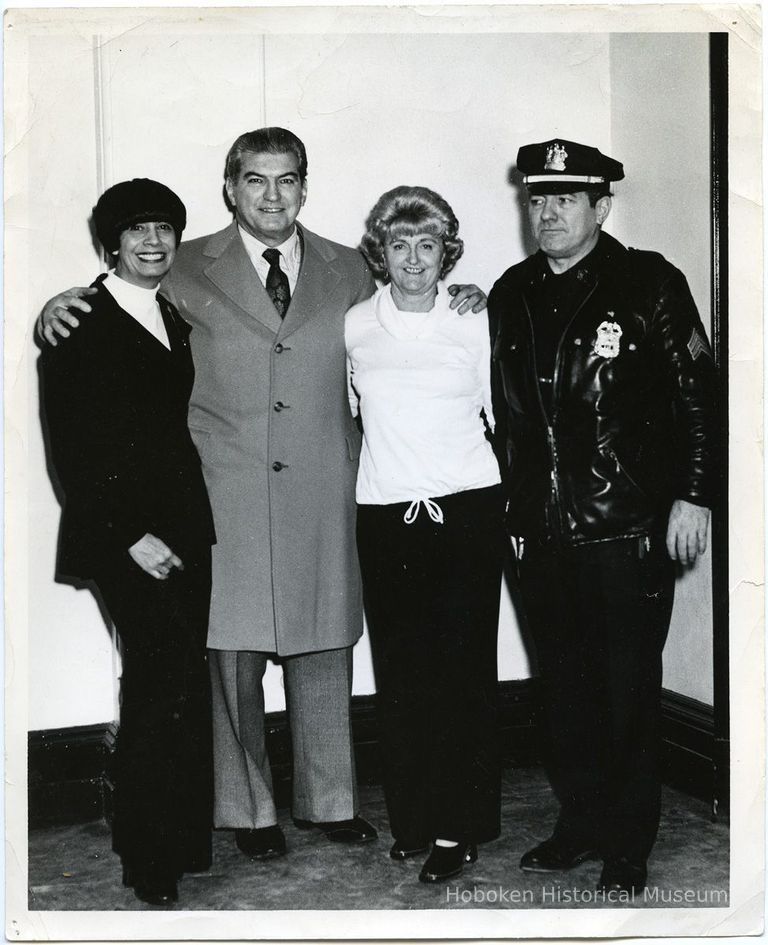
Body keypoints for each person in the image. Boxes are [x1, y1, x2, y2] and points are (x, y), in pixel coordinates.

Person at [38, 128, 486, 863]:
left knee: (322, 645)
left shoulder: (351, 266)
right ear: (230, 187)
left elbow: (414, 310)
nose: (271, 195)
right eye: (255, 180)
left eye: (286, 180)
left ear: (305, 186)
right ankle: (247, 810)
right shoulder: (182, 263)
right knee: (230, 655)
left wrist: (469, 293)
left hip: (326, 485)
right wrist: (61, 303)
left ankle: (330, 799)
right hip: (222, 488)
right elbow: (121, 300)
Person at [488, 139, 716, 895]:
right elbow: (509, 417)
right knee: (562, 691)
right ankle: (581, 823)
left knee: (623, 691)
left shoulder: (647, 281)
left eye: (565, 199)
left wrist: (694, 494)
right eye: (537, 198)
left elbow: (699, 396)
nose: (546, 213)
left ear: (600, 206)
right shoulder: (510, 291)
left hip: (627, 526)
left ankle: (628, 839)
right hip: (541, 530)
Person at [40, 179, 216, 906]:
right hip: (127, 536)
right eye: (137, 230)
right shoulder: (79, 319)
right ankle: (151, 860)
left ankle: (175, 840)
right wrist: (129, 538)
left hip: (182, 526)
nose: (154, 241)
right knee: (155, 682)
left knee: (175, 678)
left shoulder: (169, 311)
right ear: (110, 241)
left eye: (165, 229)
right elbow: (71, 451)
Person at [346, 187, 504, 884]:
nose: (414, 259)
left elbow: (502, 417)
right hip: (385, 516)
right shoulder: (355, 324)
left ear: (448, 251)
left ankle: (459, 826)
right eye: (400, 245)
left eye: (428, 244)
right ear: (381, 252)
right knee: (402, 675)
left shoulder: (475, 321)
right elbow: (356, 412)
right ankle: (414, 819)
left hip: (465, 513)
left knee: (462, 676)